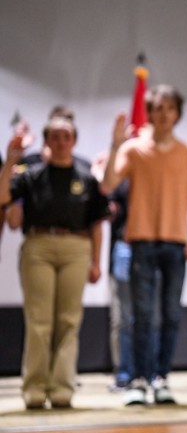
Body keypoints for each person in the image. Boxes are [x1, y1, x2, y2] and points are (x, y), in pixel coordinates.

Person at [101, 84, 187, 406]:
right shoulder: (132, 149)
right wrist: (115, 145)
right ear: (149, 112)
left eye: (168, 108)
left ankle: (161, 377)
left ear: (177, 113)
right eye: (156, 108)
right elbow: (107, 184)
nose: (162, 114)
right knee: (142, 315)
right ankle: (138, 379)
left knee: (171, 315)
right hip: (141, 241)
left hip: (175, 243)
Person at [0, 117, 109, 409]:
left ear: (73, 141)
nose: (61, 141)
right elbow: (3, 196)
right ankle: (34, 388)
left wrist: (96, 262)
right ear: (46, 141)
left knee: (69, 321)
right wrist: (10, 162)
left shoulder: (86, 178)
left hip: (76, 248)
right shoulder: (32, 175)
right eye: (55, 136)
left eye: (66, 136)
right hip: (39, 246)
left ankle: (62, 388)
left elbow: (97, 224)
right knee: (39, 320)